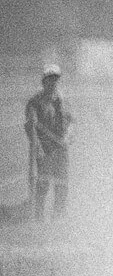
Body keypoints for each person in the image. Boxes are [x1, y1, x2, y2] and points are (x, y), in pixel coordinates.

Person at [24, 63, 74, 221]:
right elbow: (31, 126)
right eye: (49, 80)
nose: (53, 83)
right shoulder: (35, 102)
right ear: (43, 82)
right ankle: (38, 215)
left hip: (61, 148)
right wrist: (37, 147)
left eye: (55, 80)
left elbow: (72, 121)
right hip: (44, 149)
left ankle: (57, 216)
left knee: (62, 185)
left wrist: (68, 137)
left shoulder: (62, 99)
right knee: (43, 183)